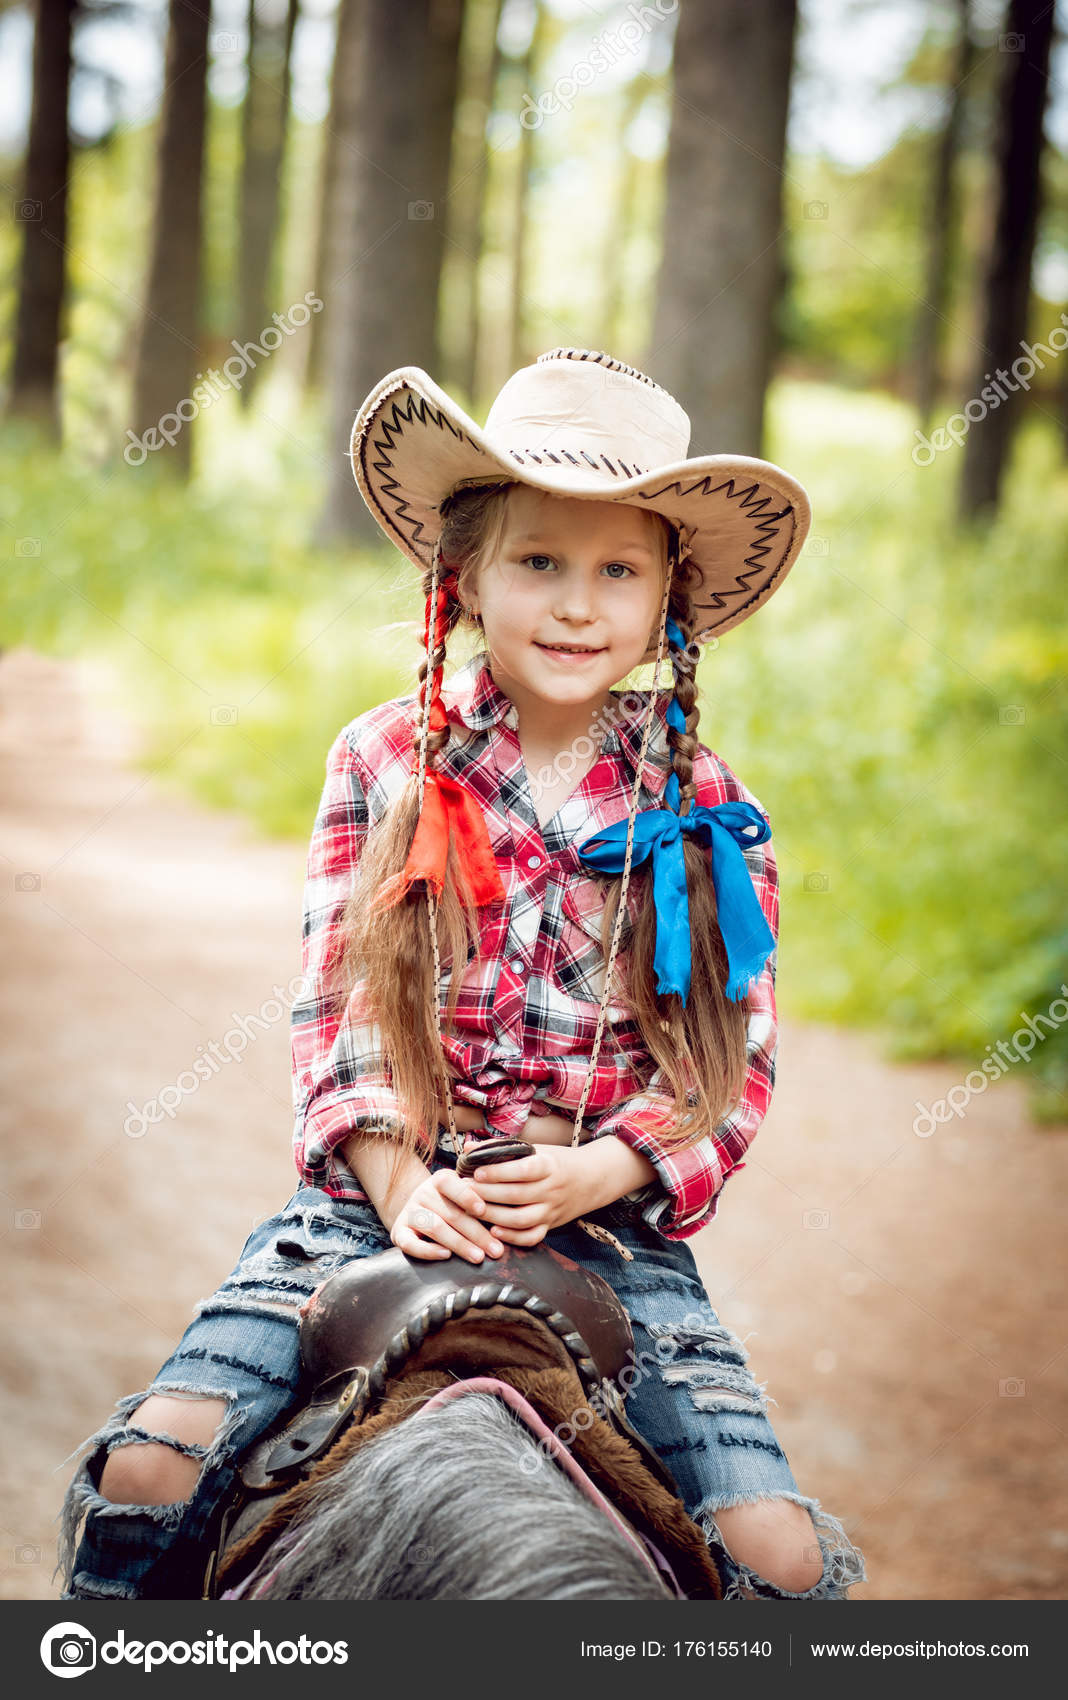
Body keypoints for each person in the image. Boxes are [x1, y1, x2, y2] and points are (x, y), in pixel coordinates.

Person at [59, 347, 867, 1602]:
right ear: (468, 573)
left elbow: (726, 1065)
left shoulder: (706, 809)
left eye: (619, 569)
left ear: (668, 597)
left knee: (782, 1553)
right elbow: (345, 1016)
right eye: (539, 560)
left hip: (609, 1237)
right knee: (155, 1471)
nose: (577, 603)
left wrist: (597, 1170)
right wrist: (398, 1187)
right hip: (372, 1208)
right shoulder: (382, 758)